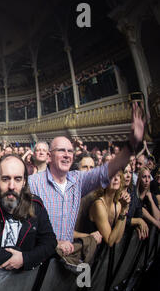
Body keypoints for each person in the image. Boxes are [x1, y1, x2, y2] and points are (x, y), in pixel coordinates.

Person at [28, 99, 144, 256]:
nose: (67, 155)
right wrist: (52, 243)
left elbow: (106, 171)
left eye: (70, 151)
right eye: (61, 150)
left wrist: (131, 146)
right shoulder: (33, 182)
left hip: (68, 259)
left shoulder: (78, 180)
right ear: (49, 156)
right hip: (40, 257)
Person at [88, 171, 131, 246]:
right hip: (92, 252)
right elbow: (109, 241)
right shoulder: (99, 204)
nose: (116, 178)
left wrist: (125, 209)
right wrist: (123, 211)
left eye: (118, 176)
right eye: (112, 176)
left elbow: (117, 239)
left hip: (106, 255)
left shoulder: (118, 204)